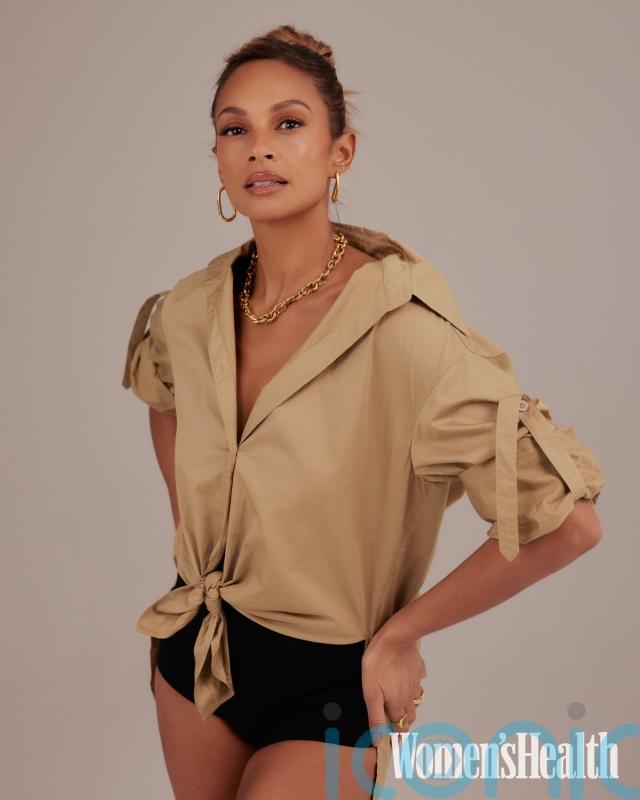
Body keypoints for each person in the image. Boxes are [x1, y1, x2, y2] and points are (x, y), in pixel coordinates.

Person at [121, 24, 605, 800]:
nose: (258, 147)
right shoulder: (191, 307)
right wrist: (199, 537)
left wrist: (403, 635)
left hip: (330, 682)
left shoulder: (406, 332)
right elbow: (164, 396)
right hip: (198, 659)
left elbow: (568, 521)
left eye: (288, 123)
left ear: (340, 152)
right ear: (216, 157)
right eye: (234, 129)